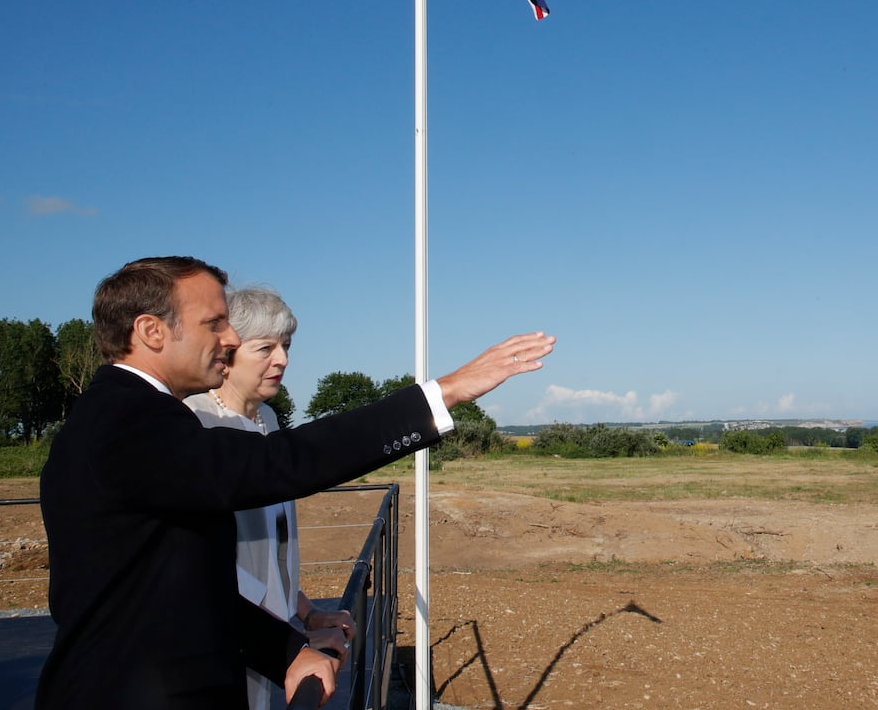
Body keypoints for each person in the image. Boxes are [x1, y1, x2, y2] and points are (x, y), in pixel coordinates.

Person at [36, 256, 554, 710]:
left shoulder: (135, 414)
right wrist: (446, 392)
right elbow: (281, 462)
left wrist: (290, 650)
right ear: (152, 331)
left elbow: (183, 592)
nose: (231, 338)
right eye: (214, 323)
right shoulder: (127, 421)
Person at [184, 286, 352, 710]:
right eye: (266, 348)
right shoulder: (194, 423)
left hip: (268, 634)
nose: (283, 360)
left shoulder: (268, 420)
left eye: (286, 346)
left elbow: (271, 551)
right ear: (228, 352)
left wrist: (308, 613)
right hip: (221, 640)